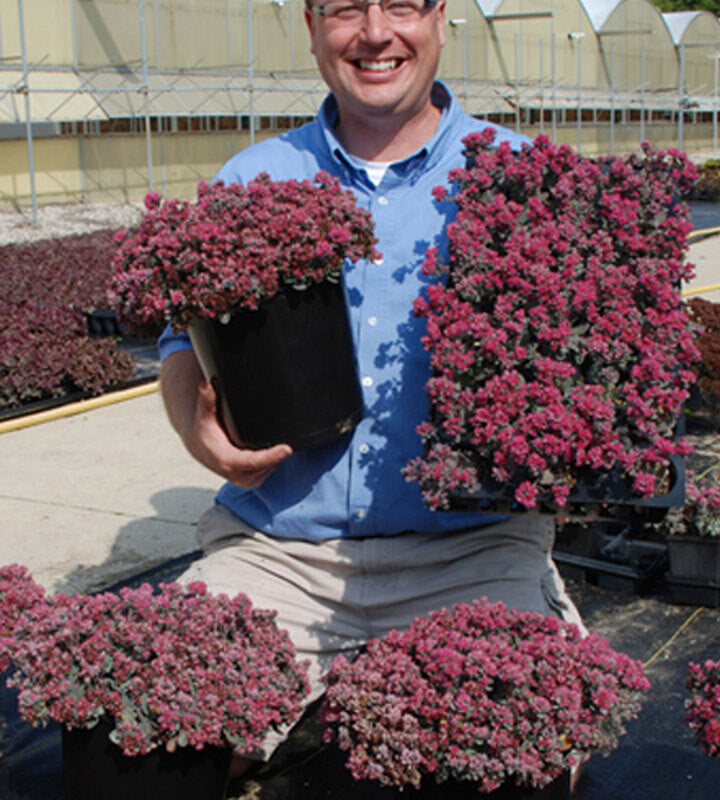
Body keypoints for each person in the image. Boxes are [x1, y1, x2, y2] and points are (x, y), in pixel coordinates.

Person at [158, 0, 584, 778]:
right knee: (159, 742)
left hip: (474, 554)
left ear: (441, 17)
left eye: (402, 5)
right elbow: (176, 338)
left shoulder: (523, 177)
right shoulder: (255, 178)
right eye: (348, 8)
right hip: (279, 551)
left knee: (523, 754)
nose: (377, 32)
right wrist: (200, 430)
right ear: (314, 26)